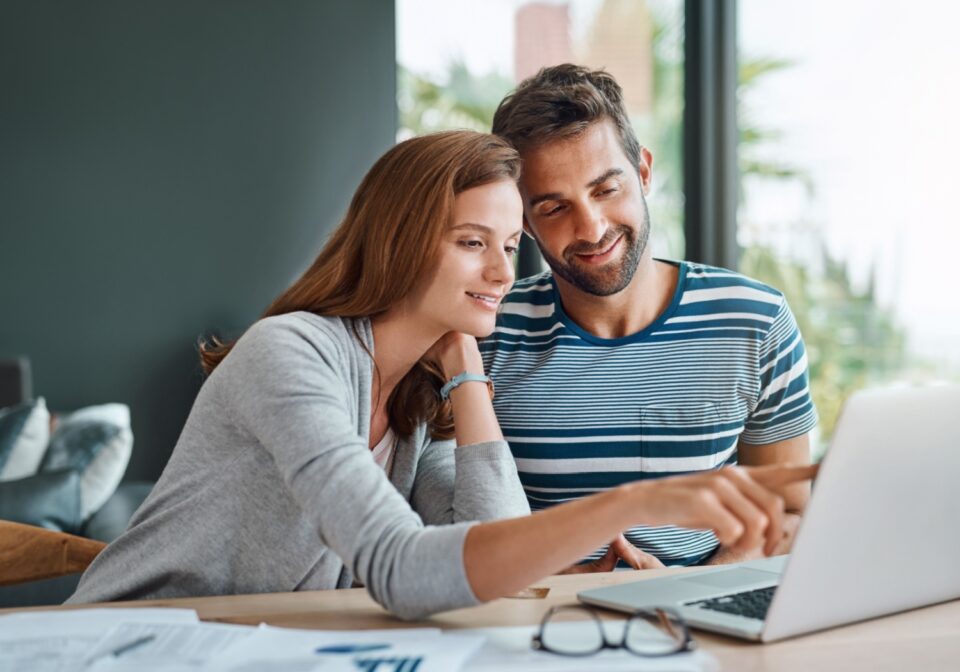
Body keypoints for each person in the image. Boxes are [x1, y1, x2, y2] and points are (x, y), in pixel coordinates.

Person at [68, 130, 816, 619]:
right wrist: (633, 502)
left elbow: (493, 551)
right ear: (396, 244)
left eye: (511, 244)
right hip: (115, 651)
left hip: (246, 649)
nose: (502, 271)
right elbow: (400, 568)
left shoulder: (416, 401)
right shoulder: (289, 353)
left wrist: (463, 364)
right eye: (471, 242)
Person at [484, 64, 818, 569]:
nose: (591, 228)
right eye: (554, 208)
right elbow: (456, 526)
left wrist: (685, 594)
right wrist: (567, 582)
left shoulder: (756, 320)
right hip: (538, 621)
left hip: (700, 621)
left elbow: (790, 512)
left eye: (606, 189)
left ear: (643, 171)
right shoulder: (488, 332)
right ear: (525, 222)